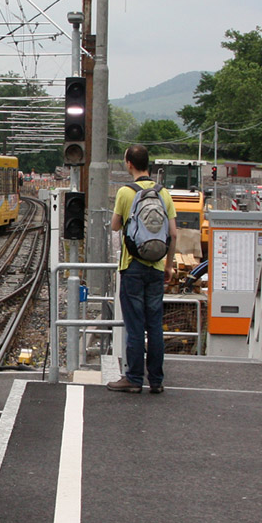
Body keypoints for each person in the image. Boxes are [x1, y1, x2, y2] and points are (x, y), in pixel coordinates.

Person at [108, 145, 177, 394]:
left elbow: (115, 226)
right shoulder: (164, 193)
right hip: (157, 267)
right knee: (155, 325)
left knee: (135, 325)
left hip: (132, 266)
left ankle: (134, 379)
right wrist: (168, 265)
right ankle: (156, 380)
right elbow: (174, 233)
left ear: (129, 164)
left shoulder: (126, 192)